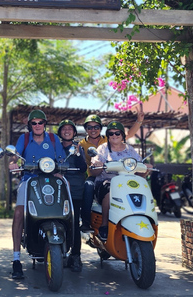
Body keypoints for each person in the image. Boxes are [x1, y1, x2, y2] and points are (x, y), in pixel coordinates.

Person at [10, 109, 60, 280]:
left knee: (66, 203)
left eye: (41, 122)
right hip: (29, 181)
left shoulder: (54, 139)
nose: (38, 125)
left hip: (51, 181)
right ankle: (16, 259)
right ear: (29, 125)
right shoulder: (23, 139)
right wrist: (12, 162)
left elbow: (61, 159)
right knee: (18, 213)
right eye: (34, 123)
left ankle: (67, 248)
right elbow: (15, 156)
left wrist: (61, 171)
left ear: (45, 124)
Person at [78, 108, 145, 231]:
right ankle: (89, 222)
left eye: (96, 127)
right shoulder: (85, 144)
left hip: (125, 179)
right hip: (98, 174)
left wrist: (139, 121)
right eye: (90, 127)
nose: (114, 136)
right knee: (88, 185)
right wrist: (96, 164)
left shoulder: (127, 148)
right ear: (86, 129)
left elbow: (129, 135)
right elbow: (83, 160)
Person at [89, 121, 150, 241]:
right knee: (110, 192)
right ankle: (104, 226)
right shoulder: (102, 148)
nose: (114, 136)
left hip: (128, 183)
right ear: (108, 136)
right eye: (111, 133)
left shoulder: (130, 150)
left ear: (122, 135)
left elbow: (138, 166)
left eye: (117, 133)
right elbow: (94, 170)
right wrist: (97, 164)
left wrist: (146, 168)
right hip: (107, 182)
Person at [56, 119, 87, 272]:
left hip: (74, 190)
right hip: (56, 190)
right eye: (64, 129)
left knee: (74, 223)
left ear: (74, 133)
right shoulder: (55, 147)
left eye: (70, 129)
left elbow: (82, 168)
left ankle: (75, 256)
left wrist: (78, 154)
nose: (67, 131)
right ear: (60, 132)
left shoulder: (77, 147)